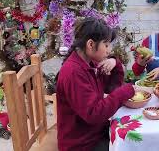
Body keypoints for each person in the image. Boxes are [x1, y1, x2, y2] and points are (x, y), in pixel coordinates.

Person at [56, 18, 135, 151]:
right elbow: (94, 113)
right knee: (133, 144)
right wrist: (123, 93)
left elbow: (111, 88)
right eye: (106, 44)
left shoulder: (89, 64)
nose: (109, 50)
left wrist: (115, 65)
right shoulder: (74, 72)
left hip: (94, 133)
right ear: (91, 44)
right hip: (82, 144)